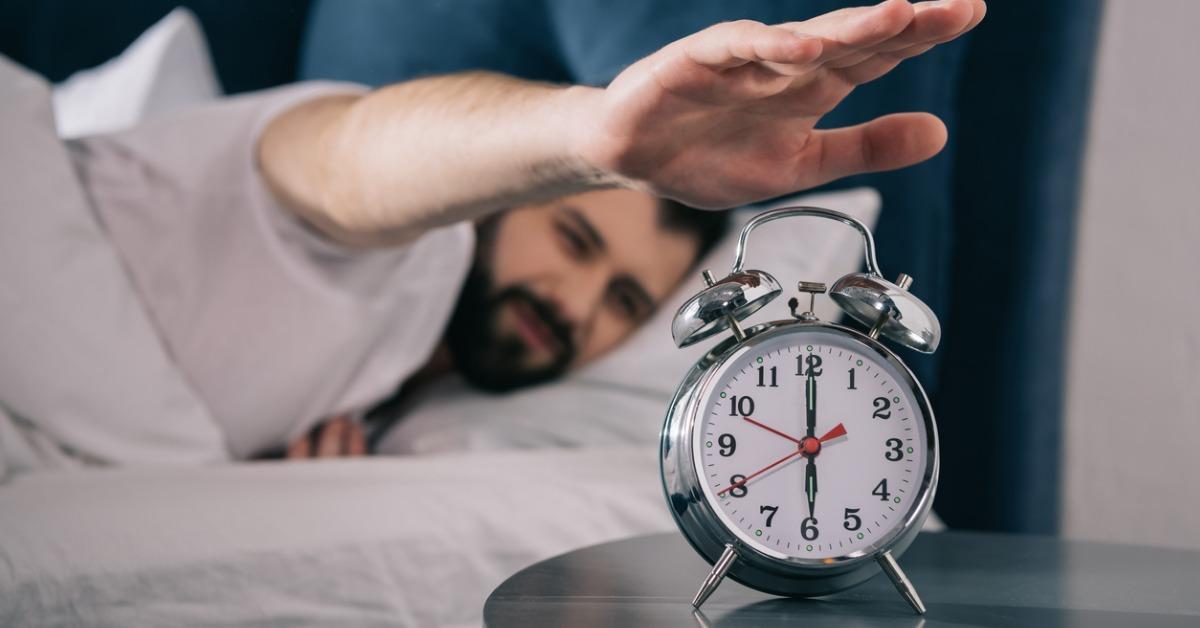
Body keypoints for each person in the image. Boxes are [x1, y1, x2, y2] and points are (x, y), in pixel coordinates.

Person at [0, 0, 984, 467]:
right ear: (500, 198)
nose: (579, 307)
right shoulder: (404, 235)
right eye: (577, 239)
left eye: (626, 301)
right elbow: (349, 158)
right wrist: (583, 137)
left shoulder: (382, 404)